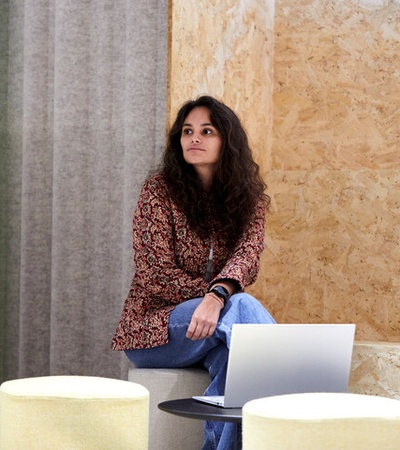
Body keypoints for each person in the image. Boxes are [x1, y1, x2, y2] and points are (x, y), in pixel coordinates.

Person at [111, 95, 276, 449]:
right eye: (187, 131)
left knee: (238, 368)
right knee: (242, 306)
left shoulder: (250, 199)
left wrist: (216, 299)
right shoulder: (158, 192)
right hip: (155, 330)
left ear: (226, 141)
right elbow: (153, 271)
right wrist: (214, 297)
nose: (194, 138)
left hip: (212, 328)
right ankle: (290, 402)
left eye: (206, 131)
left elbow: (246, 259)